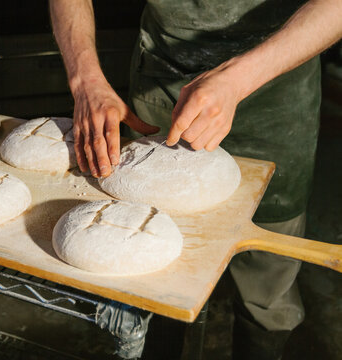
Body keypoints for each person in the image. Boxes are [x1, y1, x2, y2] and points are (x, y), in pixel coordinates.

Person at [49, 0, 342, 359]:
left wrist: (240, 77)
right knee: (151, 267)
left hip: (278, 89)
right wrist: (85, 78)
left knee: (268, 279)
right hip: (166, 77)